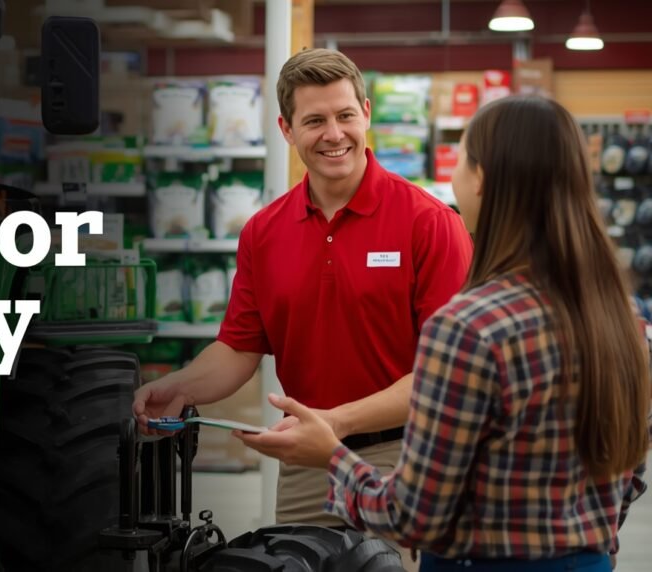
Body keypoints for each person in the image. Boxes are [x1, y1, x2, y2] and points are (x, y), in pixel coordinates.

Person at [237, 95, 652, 572]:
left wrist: (332, 457)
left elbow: (413, 517)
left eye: (462, 160)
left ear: (484, 181)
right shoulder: (624, 320)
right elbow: (630, 474)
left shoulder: (468, 328)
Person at [132, 48, 473, 568]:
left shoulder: (428, 224)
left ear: (366, 112)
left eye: (345, 116)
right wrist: (179, 387)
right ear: (287, 129)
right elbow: (239, 347)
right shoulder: (264, 232)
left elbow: (443, 375)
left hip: (407, 456)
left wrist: (332, 425)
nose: (334, 134)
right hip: (306, 470)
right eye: (314, 120)